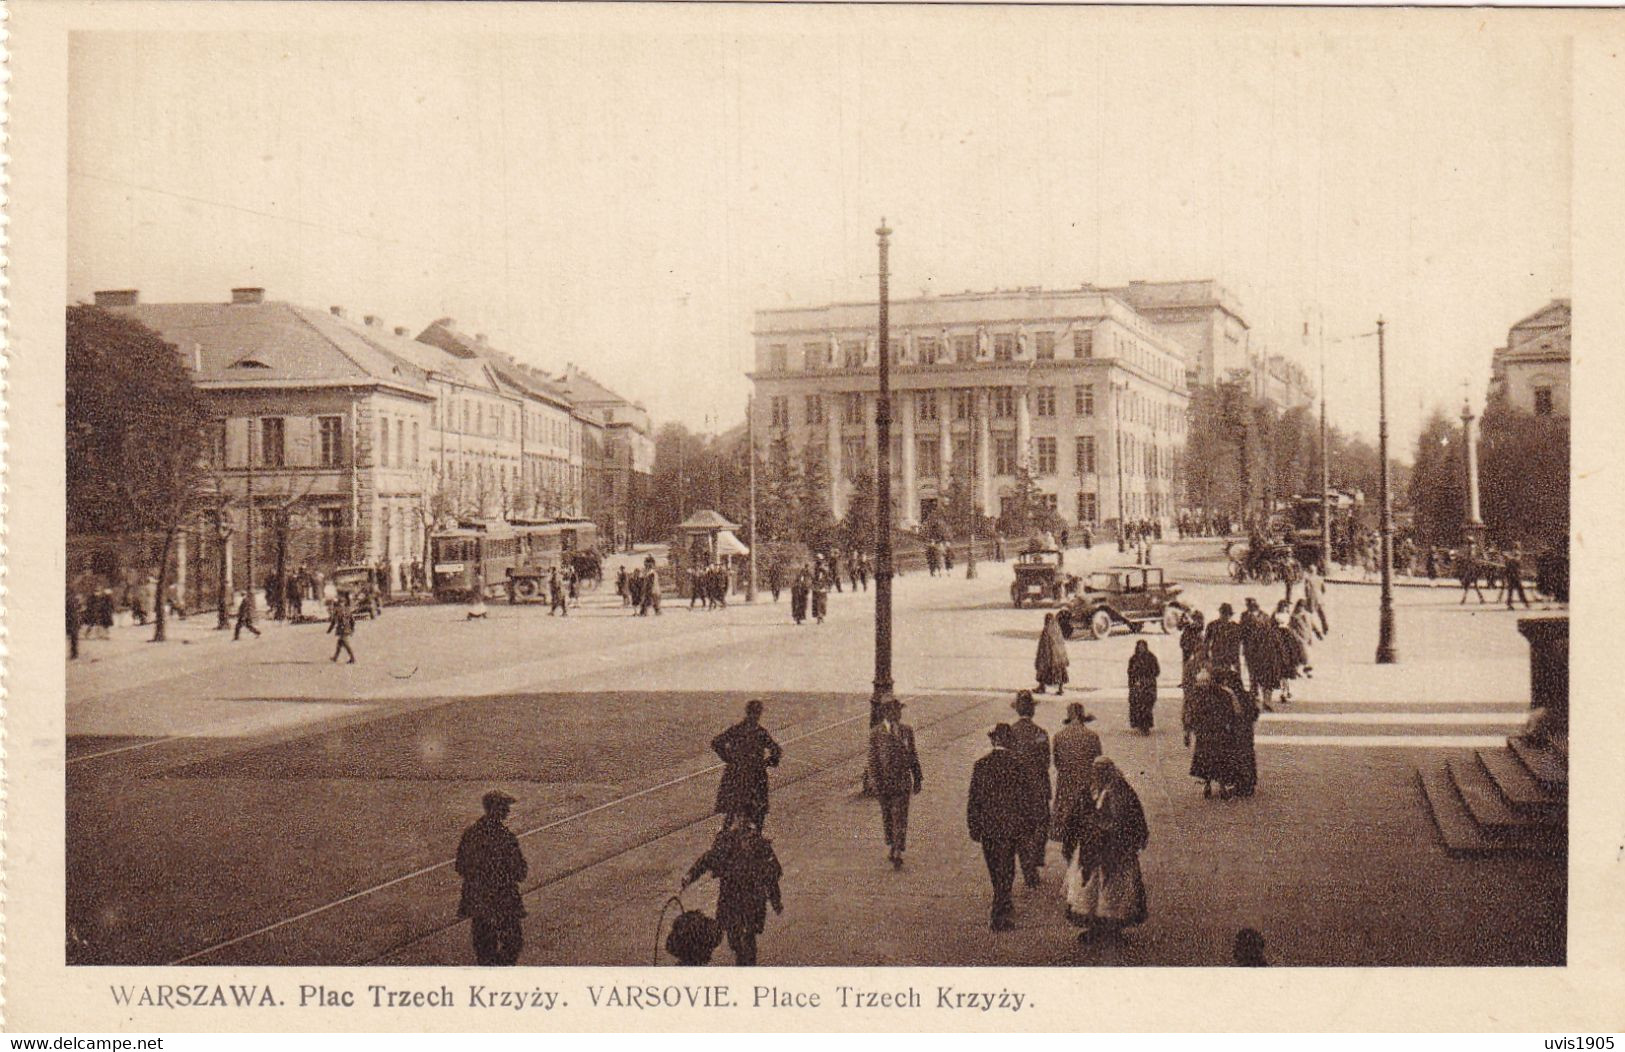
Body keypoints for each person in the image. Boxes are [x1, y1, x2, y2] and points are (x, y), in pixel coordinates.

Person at [1066, 756, 1150, 943]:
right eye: (1096, 770)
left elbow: (1132, 817)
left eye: (1102, 770)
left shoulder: (1121, 791)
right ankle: (1095, 927)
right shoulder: (1088, 791)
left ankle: (1112, 929)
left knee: (1113, 889)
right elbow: (1075, 817)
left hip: (1115, 850)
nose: (1098, 774)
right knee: (1091, 889)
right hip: (1091, 850)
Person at [682, 815, 783, 966]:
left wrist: (776, 899)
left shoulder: (759, 845)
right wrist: (690, 876)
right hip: (732, 898)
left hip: (750, 899)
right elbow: (707, 859)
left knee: (747, 938)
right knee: (735, 938)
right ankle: (742, 955)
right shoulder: (726, 842)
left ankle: (746, 965)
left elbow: (771, 874)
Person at [967, 723, 1039, 931]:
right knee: (1007, 868)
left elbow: (974, 799)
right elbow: (1027, 798)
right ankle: (998, 912)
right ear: (1009, 741)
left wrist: (974, 826)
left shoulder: (981, 765)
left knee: (994, 867)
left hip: (988, 826)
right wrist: (1029, 825)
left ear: (993, 741)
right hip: (1011, 827)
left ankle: (1003, 902)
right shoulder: (1018, 764)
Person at [455, 790, 529, 966]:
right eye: (504, 808)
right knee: (512, 942)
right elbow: (520, 871)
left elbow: (460, 866)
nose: (507, 812)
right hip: (503, 899)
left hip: (478, 899)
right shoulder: (505, 837)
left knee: (484, 948)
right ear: (496, 809)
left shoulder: (471, 834)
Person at [866, 698, 923, 868]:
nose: (898, 714)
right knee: (888, 817)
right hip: (884, 783)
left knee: (901, 817)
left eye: (899, 711)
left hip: (902, 782)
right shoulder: (876, 733)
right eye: (895, 711)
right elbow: (873, 760)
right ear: (886, 713)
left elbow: (913, 755)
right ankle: (892, 844)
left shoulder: (907, 731)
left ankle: (898, 849)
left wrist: (918, 777)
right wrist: (875, 783)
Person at [712, 700, 783, 830]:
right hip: (755, 773)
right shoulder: (760, 732)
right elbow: (776, 750)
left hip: (737, 772)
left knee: (732, 808)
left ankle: (725, 834)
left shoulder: (737, 729)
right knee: (758, 807)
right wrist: (769, 762)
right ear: (758, 713)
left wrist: (729, 758)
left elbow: (716, 743)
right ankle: (756, 833)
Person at [1008, 691, 1052, 888]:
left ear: (1017, 709)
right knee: (1040, 825)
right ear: (1032, 710)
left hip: (1016, 791)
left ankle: (1028, 865)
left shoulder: (1009, 732)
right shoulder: (1041, 733)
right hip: (1038, 788)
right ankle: (1034, 859)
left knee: (1021, 829)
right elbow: (1046, 763)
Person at [1049, 702, 1101, 863]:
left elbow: (1057, 763)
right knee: (1087, 824)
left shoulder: (1059, 736)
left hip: (1066, 787)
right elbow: (1098, 762)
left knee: (1067, 824)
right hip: (1087, 787)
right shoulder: (1092, 736)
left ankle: (1069, 856)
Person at [1186, 665, 1238, 798]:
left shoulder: (1200, 695)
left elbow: (1193, 713)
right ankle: (1220, 786)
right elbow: (1231, 713)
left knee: (1207, 759)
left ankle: (1209, 785)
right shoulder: (1224, 694)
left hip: (1206, 732)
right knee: (1220, 759)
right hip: (1217, 732)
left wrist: (1191, 729)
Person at [1240, 598, 1284, 712]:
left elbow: (1272, 633)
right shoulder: (1245, 616)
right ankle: (1256, 700)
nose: (1250, 607)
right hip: (1251, 651)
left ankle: (1266, 701)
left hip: (1264, 651)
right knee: (1254, 676)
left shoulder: (1264, 616)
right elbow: (1242, 634)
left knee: (1266, 676)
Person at [1127, 639, 1160, 734]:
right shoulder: (1133, 659)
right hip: (1137, 686)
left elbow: (1156, 671)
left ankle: (1146, 725)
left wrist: (1148, 678)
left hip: (1149, 686)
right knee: (1137, 705)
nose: (1141, 649)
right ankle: (1139, 724)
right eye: (1139, 647)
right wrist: (1134, 682)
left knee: (1147, 705)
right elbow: (1130, 672)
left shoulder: (1151, 658)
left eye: (1143, 647)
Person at [1034, 612, 1070, 696]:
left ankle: (1042, 687)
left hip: (1050, 658)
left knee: (1043, 672)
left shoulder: (1047, 630)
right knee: (1060, 673)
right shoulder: (1057, 629)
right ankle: (1060, 689)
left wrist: (1041, 658)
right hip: (1060, 658)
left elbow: (1044, 646)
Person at [327, 596, 357, 663]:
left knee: (346, 644)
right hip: (347, 629)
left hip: (342, 629)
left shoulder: (337, 610)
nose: (341, 604)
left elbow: (333, 621)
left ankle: (352, 658)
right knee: (339, 643)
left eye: (341, 602)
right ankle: (335, 657)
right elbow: (353, 621)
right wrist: (352, 629)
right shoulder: (348, 609)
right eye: (341, 602)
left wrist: (329, 630)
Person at [1504, 544, 1531, 609]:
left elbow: (1509, 566)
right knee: (1519, 590)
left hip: (1512, 576)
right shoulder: (1516, 554)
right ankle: (1525, 603)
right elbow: (1516, 564)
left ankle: (1510, 603)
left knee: (1512, 591)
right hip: (1514, 576)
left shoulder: (1512, 556)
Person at [67, 589, 82, 660]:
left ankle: (74, 654)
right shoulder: (75, 601)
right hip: (74, 622)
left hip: (72, 622)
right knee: (74, 639)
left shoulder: (69, 601)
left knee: (73, 639)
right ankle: (74, 654)